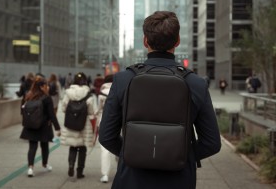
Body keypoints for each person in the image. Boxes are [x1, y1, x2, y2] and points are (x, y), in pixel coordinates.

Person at [99, 11, 221, 189]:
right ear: (177, 41)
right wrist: (178, 155)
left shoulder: (122, 80)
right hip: (178, 181)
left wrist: (134, 153)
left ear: (145, 41)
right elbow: (212, 143)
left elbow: (106, 136)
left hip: (131, 180)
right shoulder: (195, 84)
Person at [20, 76, 61, 177]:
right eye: (46, 85)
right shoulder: (47, 98)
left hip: (31, 126)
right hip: (43, 126)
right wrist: (57, 128)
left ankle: (30, 168)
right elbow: (52, 114)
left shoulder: (29, 96)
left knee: (32, 147)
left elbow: (23, 110)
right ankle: (45, 164)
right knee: (44, 146)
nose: (47, 87)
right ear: (42, 87)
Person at [61, 72, 95, 179]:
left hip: (71, 123)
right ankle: (80, 171)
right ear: (85, 81)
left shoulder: (68, 93)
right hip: (84, 124)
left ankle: (71, 165)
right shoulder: (88, 94)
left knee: (73, 146)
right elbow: (91, 112)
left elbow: (63, 108)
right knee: (82, 149)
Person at [95, 74, 114, 183]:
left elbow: (99, 109)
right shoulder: (120, 90)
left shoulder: (102, 93)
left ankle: (105, 174)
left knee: (104, 149)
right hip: (119, 121)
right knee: (120, 146)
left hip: (104, 121)